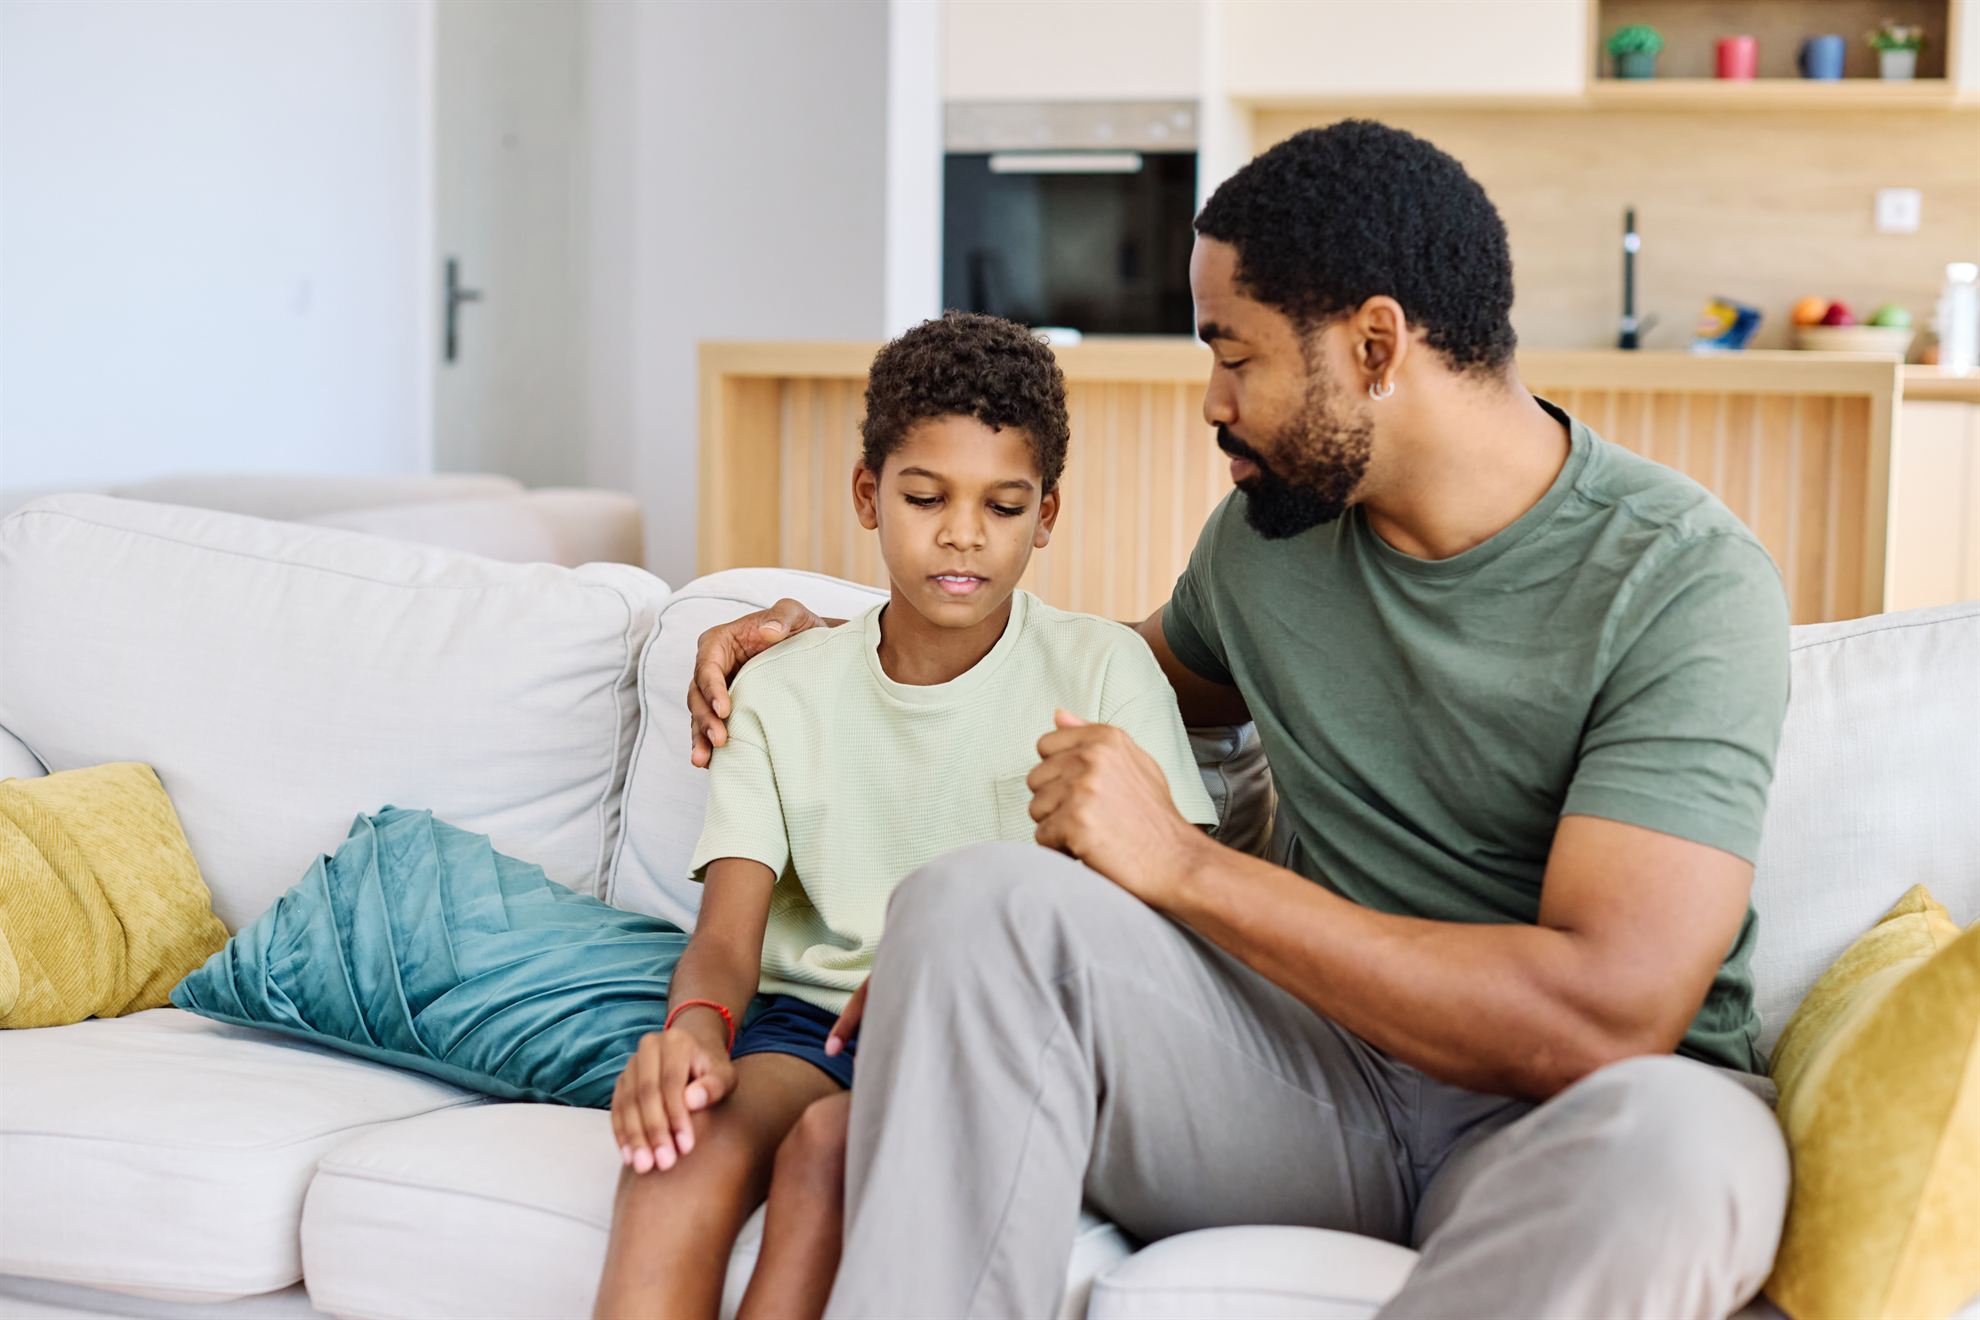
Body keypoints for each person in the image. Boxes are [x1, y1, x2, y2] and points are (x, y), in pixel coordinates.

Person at [686, 120, 1794, 1320]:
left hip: (1570, 1126)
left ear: (1375, 347)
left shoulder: (1679, 579)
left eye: (1234, 355)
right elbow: (1083, 670)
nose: (1212, 402)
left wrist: (1185, 866)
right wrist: (841, 648)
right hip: (1305, 1086)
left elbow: (1602, 1014)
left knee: (1685, 1155)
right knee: (971, 907)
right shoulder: (1271, 543)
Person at [590, 311, 1217, 1320]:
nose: (963, 533)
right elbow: (726, 942)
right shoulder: (781, 688)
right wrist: (695, 1034)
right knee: (678, 1147)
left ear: (1046, 514)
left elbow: (1169, 914)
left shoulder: (1105, 671)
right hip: (809, 1027)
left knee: (830, 1153)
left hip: (989, 1033)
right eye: (925, 498)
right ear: (867, 495)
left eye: (1003, 506)